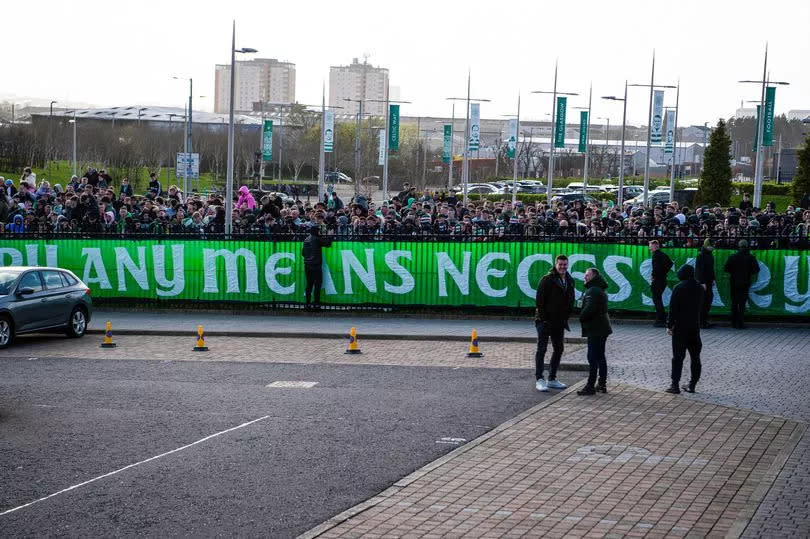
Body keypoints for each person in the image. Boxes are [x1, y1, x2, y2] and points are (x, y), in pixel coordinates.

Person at [534, 254, 575, 392]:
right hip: (544, 321)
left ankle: (552, 378)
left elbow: (571, 299)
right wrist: (544, 319)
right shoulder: (547, 279)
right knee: (542, 349)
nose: (563, 267)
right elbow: (539, 301)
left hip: (559, 322)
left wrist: (566, 317)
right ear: (556, 265)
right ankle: (539, 379)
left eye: (565, 264)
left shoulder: (569, 279)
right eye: (560, 264)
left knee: (559, 349)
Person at [666, 264, 703, 394]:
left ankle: (674, 385)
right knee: (695, 357)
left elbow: (673, 309)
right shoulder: (699, 288)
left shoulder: (679, 288)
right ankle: (692, 384)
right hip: (694, 327)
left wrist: (670, 325)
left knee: (677, 358)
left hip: (681, 327)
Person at [577, 267, 612, 396]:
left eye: (587, 275)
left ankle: (590, 386)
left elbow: (589, 310)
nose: (585, 277)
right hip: (602, 328)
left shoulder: (592, 290)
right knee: (600, 356)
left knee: (592, 357)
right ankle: (601, 384)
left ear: (594, 277)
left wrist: (581, 317)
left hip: (595, 329)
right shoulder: (599, 289)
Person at [724, 239, 760, 329]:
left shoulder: (733, 257)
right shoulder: (750, 257)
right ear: (747, 246)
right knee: (742, 303)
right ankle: (740, 323)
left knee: (734, 303)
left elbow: (726, 268)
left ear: (739, 247)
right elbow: (756, 270)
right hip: (745, 282)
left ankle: (733, 322)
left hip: (734, 282)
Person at [302, 224, 333, 310]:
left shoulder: (306, 239)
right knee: (317, 285)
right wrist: (330, 236)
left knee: (309, 285)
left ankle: (307, 304)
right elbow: (328, 244)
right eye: (318, 230)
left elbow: (303, 253)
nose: (319, 232)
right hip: (316, 265)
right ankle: (316, 304)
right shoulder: (316, 239)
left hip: (307, 265)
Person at [649, 240, 673, 327]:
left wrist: (653, 275)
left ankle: (660, 320)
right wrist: (664, 272)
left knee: (657, 299)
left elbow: (656, 267)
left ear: (655, 246)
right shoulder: (663, 255)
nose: (649, 247)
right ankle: (662, 318)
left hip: (658, 280)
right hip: (663, 279)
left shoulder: (656, 255)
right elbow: (670, 263)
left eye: (650, 245)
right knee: (658, 299)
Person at [694, 238, 715, 329]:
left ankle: (704, 320)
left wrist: (713, 278)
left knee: (708, 300)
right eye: (711, 246)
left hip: (708, 281)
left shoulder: (709, 254)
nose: (713, 248)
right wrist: (701, 282)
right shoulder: (701, 255)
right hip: (703, 283)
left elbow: (711, 268)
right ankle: (701, 322)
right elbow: (698, 270)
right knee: (703, 302)